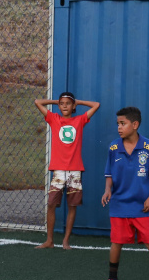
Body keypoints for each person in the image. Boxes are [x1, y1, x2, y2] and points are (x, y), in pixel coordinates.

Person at [101, 107, 149, 280]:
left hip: (142, 207)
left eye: (122, 124)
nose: (119, 128)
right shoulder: (114, 148)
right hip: (119, 206)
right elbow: (108, 174)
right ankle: (112, 279)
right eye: (118, 124)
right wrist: (107, 190)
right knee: (116, 242)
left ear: (135, 125)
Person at [34, 92, 100, 249]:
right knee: (51, 204)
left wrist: (77, 101)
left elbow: (96, 105)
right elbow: (38, 102)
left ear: (73, 106)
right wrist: (56, 101)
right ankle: (50, 240)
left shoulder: (79, 120)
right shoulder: (54, 119)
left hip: (74, 171)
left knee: (72, 205)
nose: (64, 106)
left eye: (68, 103)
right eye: (61, 103)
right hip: (58, 171)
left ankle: (65, 240)